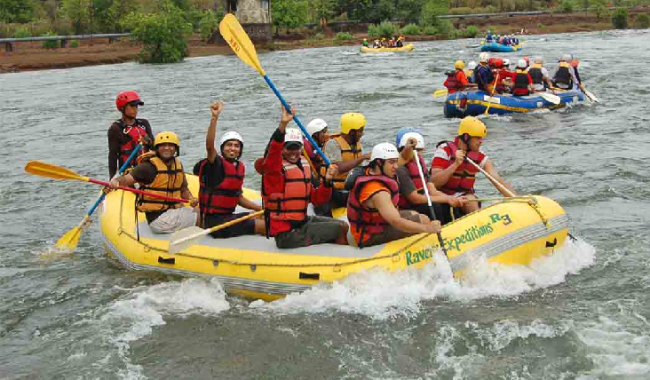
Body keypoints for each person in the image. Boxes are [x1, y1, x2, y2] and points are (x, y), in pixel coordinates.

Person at [262, 106, 348, 249]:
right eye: (289, 147)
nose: (293, 152)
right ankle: (341, 263)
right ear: (282, 149)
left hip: (302, 222)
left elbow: (317, 199)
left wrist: (327, 181)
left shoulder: (303, 166)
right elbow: (273, 152)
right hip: (287, 234)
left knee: (343, 225)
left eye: (297, 147)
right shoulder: (274, 170)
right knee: (337, 230)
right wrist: (283, 125)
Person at [347, 143, 442, 248]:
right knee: (423, 221)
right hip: (371, 236)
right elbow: (396, 221)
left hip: (377, 223)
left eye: (396, 162)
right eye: (392, 163)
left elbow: (404, 158)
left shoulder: (373, 171)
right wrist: (428, 229)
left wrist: (408, 147)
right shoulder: (377, 191)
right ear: (379, 162)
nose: (396, 166)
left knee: (416, 214)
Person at [192, 102, 265, 238]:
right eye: (229, 145)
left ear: (240, 150)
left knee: (262, 216)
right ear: (222, 148)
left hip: (228, 218)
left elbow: (238, 198)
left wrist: (260, 209)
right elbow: (209, 146)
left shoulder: (239, 167)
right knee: (265, 226)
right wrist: (214, 118)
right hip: (215, 223)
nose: (232, 148)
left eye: (236, 146)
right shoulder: (216, 164)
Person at [109, 131, 199, 234]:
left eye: (170, 145)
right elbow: (126, 180)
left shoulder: (178, 165)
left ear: (176, 149)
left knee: (202, 210)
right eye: (163, 145)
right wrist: (115, 181)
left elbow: (183, 190)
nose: (167, 148)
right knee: (204, 217)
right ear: (157, 148)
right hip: (159, 219)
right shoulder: (148, 167)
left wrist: (191, 199)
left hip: (173, 211)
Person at [430, 117, 516, 215]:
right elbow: (434, 182)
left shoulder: (480, 157)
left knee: (470, 199)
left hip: (465, 198)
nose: (481, 141)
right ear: (466, 137)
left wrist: (517, 199)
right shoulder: (444, 150)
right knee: (470, 201)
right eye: (478, 138)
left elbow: (499, 182)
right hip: (443, 197)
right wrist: (455, 165)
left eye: (482, 138)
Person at [395, 128, 467, 225]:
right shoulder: (400, 169)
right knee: (436, 206)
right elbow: (415, 198)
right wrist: (446, 199)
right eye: (416, 151)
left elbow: (432, 190)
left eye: (421, 150)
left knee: (448, 205)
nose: (419, 154)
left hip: (421, 200)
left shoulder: (419, 162)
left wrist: (451, 199)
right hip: (408, 205)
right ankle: (439, 231)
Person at [321, 112, 371, 210]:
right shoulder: (333, 144)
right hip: (337, 191)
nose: (362, 134)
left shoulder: (357, 143)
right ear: (352, 132)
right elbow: (339, 168)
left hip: (352, 188)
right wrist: (362, 158)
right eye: (360, 131)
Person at [108, 90, 154, 179]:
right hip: (129, 173)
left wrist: (148, 142)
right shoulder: (116, 129)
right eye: (132, 106)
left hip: (147, 169)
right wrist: (112, 179)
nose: (135, 109)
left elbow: (154, 148)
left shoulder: (144, 124)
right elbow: (112, 156)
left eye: (136, 106)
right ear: (122, 108)